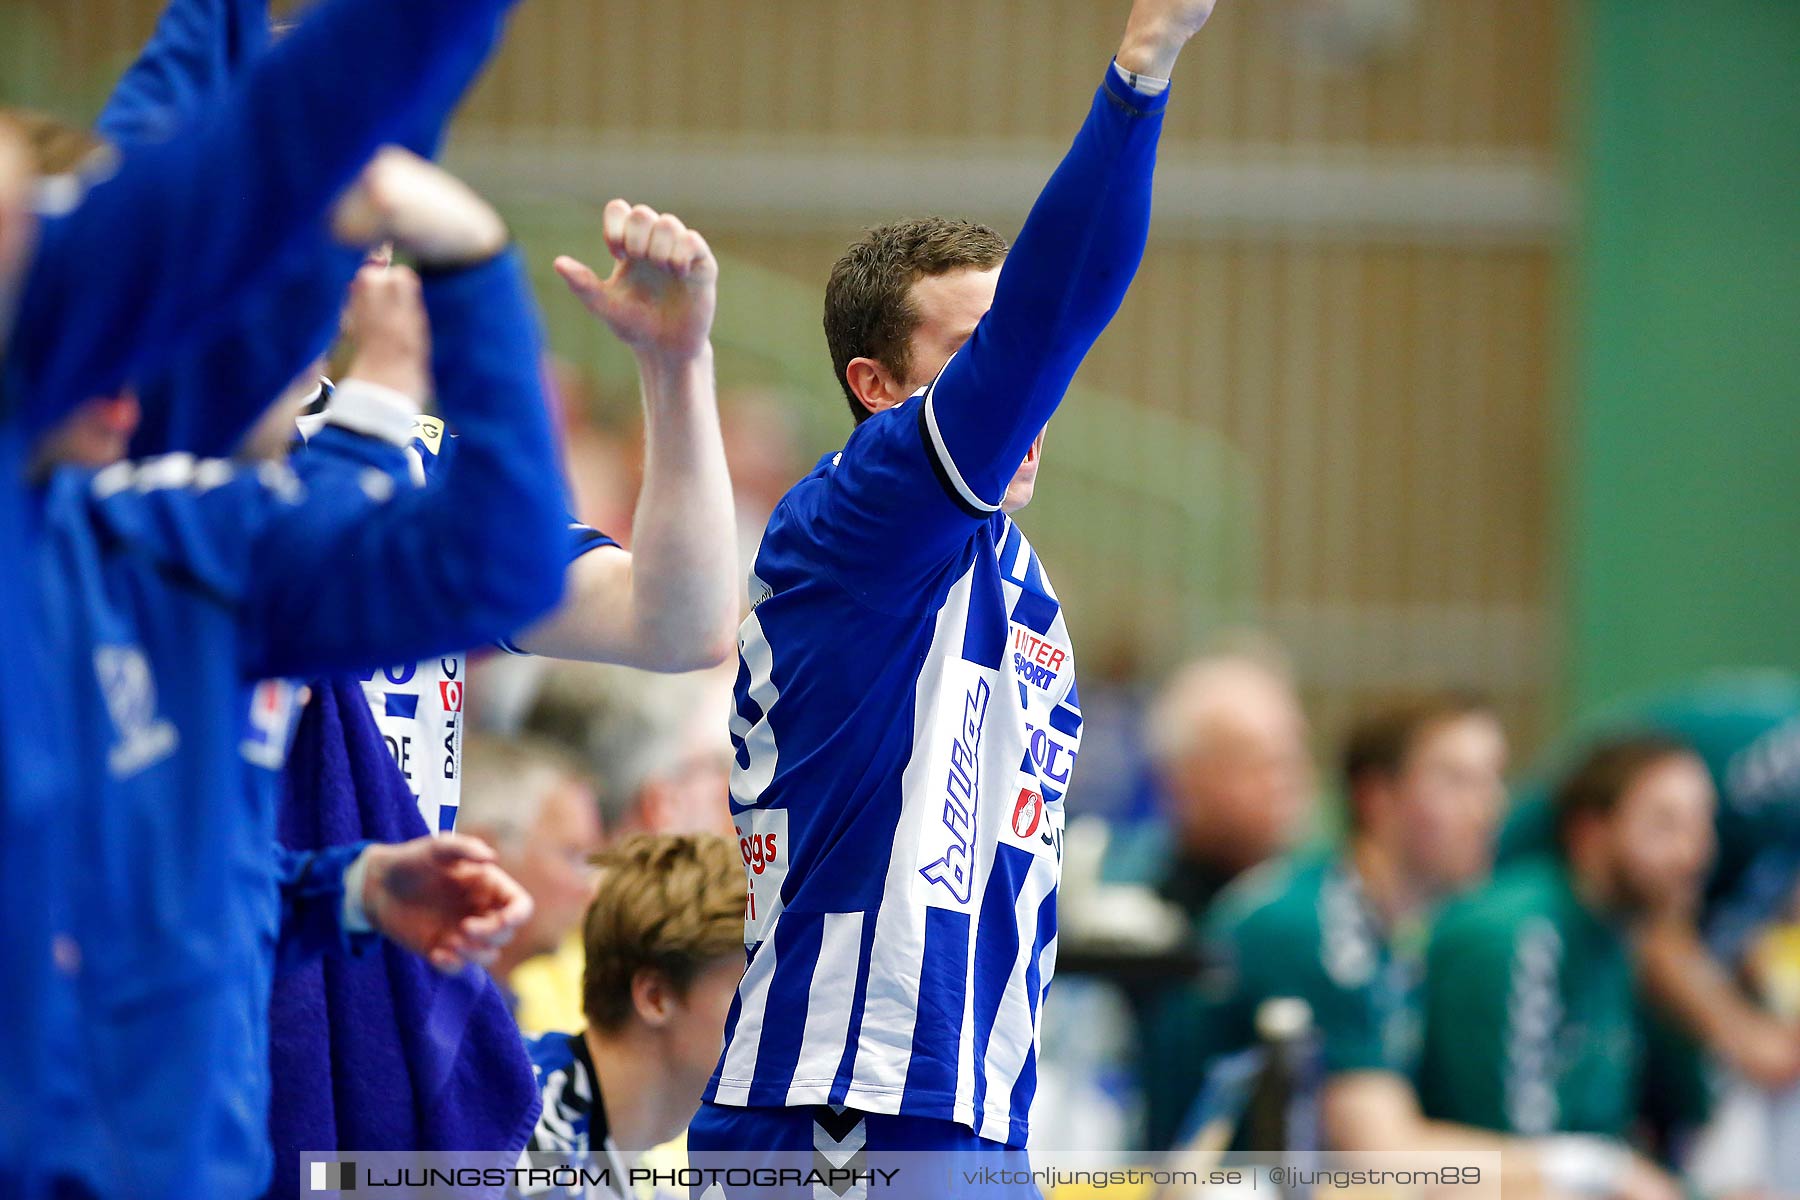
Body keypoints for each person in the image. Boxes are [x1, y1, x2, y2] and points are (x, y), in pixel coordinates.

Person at [688, 0, 1224, 1177]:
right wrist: (1141, 74)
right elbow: (1047, 322)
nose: (1027, 398)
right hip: (840, 1101)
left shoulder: (1019, 578)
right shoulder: (860, 516)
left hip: (973, 1104)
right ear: (879, 387)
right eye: (971, 356)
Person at [19, 145, 568, 1199]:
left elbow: (153, 878)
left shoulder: (140, 542)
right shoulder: (128, 546)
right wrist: (454, 286)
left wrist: (351, 885)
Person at [1499, 672, 1800, 1136]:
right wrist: (1749, 1037)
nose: (1695, 851)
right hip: (1565, 896)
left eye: (1702, 831)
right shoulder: (1766, 766)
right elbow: (1657, 896)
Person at [1419, 735, 1715, 1198]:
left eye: (1701, 827)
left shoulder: (1614, 931)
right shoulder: (1514, 936)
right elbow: (1524, 1161)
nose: (1693, 854)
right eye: (1665, 825)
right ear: (1590, 831)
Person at [518, 834, 745, 1198]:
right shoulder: (516, 1126)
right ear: (655, 998)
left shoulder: (637, 1172)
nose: (782, 1018)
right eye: (750, 990)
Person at [1108, 647, 1314, 928]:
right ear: (1182, 777)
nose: (1281, 781)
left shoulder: (1326, 908)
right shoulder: (1117, 893)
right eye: (1251, 760)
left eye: (1289, 757)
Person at [458, 733, 607, 1007]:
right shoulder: (430, 1018)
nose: (588, 889)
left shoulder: (491, 1005)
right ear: (486, 853)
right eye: (571, 855)